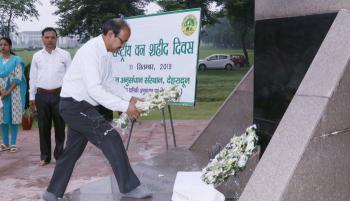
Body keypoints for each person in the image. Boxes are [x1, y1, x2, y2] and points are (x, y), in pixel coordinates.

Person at [42, 19, 152, 201]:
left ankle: (52, 192)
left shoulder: (106, 52)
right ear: (110, 35)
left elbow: (108, 81)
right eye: (122, 41)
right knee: (111, 138)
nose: (123, 46)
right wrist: (126, 107)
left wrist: (129, 98)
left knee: (72, 152)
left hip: (82, 105)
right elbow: (95, 90)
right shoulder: (90, 52)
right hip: (75, 105)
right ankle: (129, 187)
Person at [29, 27, 71, 166]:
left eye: (52, 37)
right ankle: (45, 156)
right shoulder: (37, 56)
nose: (49, 40)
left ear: (56, 38)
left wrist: (69, 95)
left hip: (60, 95)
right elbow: (33, 77)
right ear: (42, 39)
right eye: (47, 37)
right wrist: (32, 97)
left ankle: (59, 155)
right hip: (41, 95)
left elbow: (70, 77)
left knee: (60, 127)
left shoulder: (64, 55)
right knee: (43, 127)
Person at [0, 37, 27, 153]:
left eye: (5, 44)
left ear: (10, 46)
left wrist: (7, 91)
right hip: (1, 94)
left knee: (14, 118)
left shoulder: (17, 60)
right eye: (0, 45)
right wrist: (1, 91)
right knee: (2, 118)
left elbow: (18, 78)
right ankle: (5, 143)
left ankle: (13, 143)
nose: (2, 47)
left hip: (14, 93)